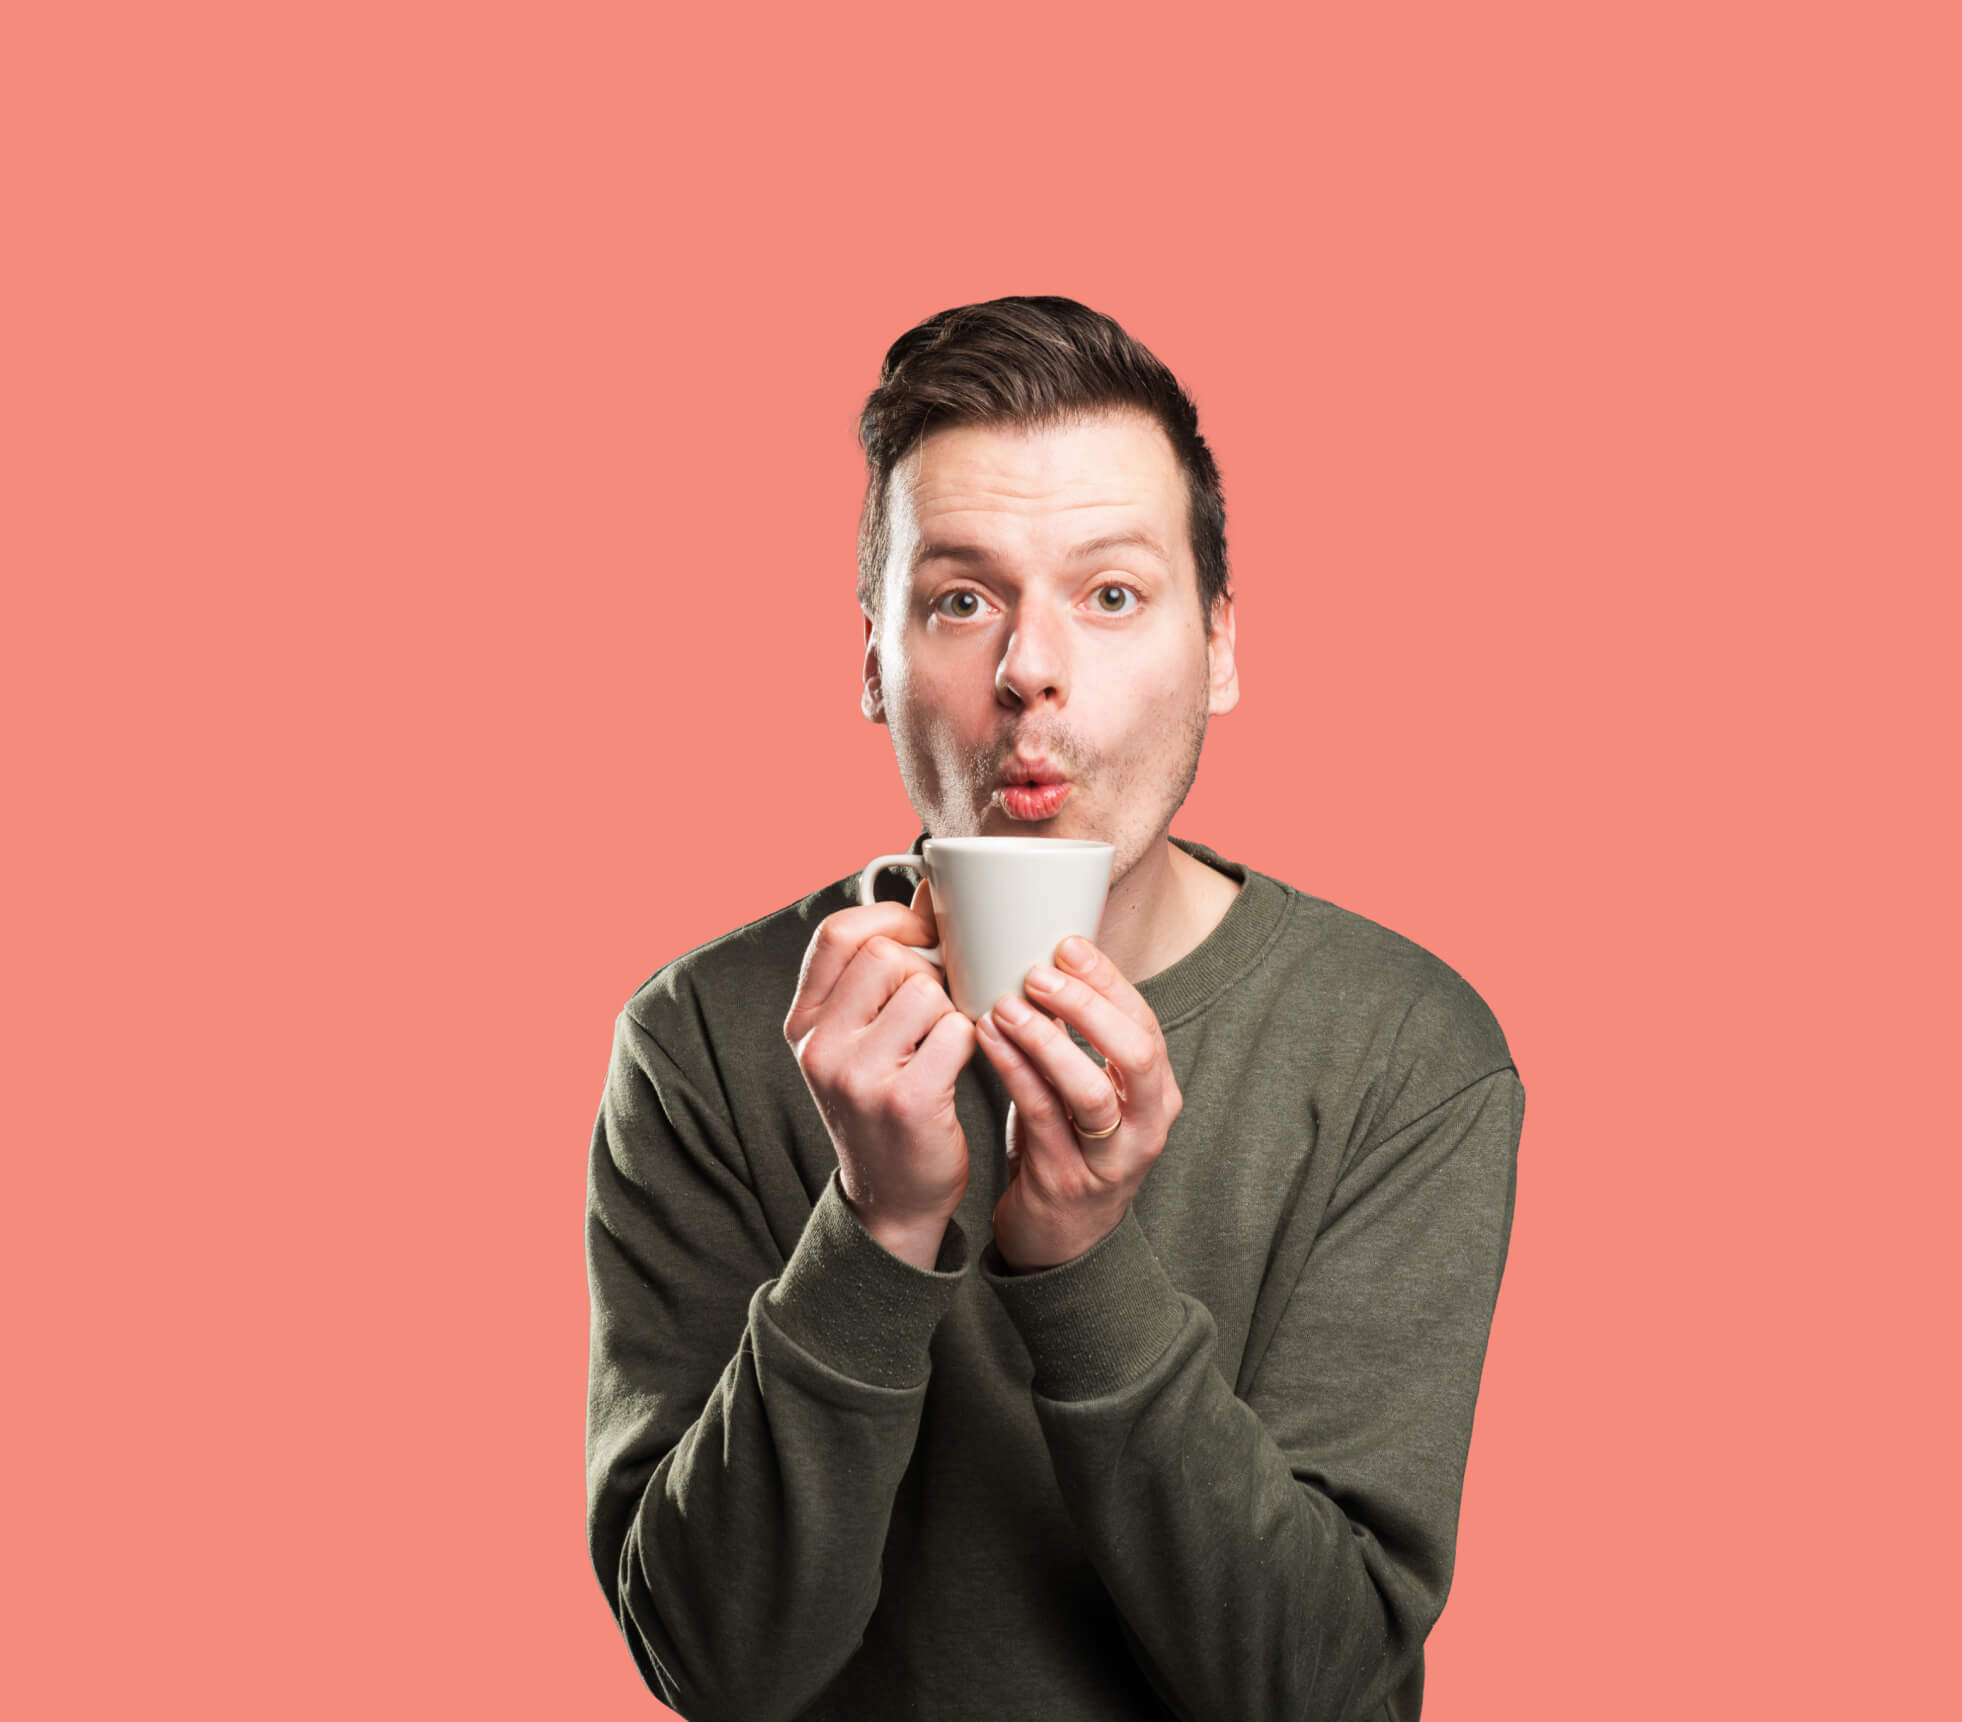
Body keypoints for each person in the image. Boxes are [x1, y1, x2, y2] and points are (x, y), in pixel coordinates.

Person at [584, 296, 1524, 1722]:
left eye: (1112, 594)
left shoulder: (1402, 1050)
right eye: (960, 600)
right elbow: (713, 1661)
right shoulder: (704, 1037)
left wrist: (1081, 1262)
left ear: (1218, 647)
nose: (1029, 668)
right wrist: (875, 1228)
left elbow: (1317, 1685)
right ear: (871, 658)